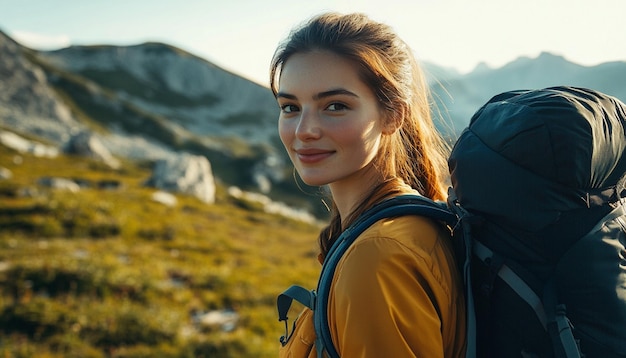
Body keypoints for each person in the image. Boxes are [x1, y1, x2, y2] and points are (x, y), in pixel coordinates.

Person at [270, 12, 466, 358]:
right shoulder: (407, 222)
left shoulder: (377, 256)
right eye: (290, 107)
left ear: (393, 115)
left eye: (335, 106)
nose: (304, 130)